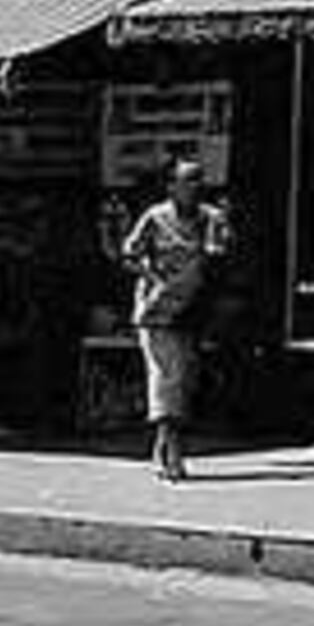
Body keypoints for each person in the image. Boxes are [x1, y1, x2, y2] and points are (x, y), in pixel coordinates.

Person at [118, 158, 223, 483]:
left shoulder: (211, 217)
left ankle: (163, 446)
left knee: (185, 379)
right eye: (188, 180)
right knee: (167, 377)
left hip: (192, 309)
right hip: (157, 311)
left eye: (199, 180)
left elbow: (218, 254)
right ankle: (171, 450)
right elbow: (129, 253)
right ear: (172, 186)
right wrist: (154, 276)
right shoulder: (155, 217)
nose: (195, 186)